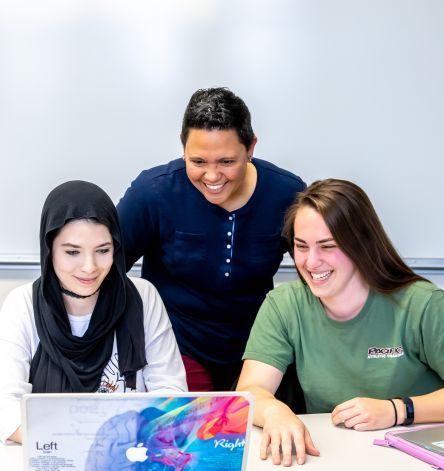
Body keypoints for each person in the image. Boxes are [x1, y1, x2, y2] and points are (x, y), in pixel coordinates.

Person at [237, 179, 444, 466]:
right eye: (301, 246)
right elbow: (250, 392)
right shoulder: (283, 305)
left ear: (361, 244)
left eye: (327, 246)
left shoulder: (422, 303)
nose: (311, 261)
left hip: (421, 459)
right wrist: (274, 413)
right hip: (334, 458)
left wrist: (397, 410)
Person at [117, 87, 305, 391]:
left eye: (227, 162)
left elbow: (319, 269)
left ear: (251, 147)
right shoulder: (153, 192)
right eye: (199, 162)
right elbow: (104, 267)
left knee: (254, 431)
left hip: (257, 350)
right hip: (176, 349)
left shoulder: (287, 193)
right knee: (189, 432)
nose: (213, 176)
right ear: (183, 149)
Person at [0, 180, 187, 443]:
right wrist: (72, 445)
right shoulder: (21, 304)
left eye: (103, 250)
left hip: (124, 459)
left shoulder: (142, 297)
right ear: (49, 251)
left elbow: (172, 393)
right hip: (48, 457)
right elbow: (1, 409)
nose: (89, 267)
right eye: (72, 252)